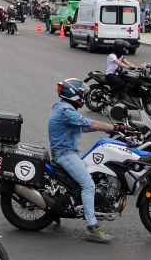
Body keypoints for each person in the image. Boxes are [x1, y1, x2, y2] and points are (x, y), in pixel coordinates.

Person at [49, 78, 118, 243]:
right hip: (65, 154)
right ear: (73, 94)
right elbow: (86, 122)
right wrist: (113, 127)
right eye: (81, 93)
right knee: (88, 185)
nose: (83, 96)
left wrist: (106, 130)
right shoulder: (66, 111)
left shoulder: (64, 108)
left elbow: (83, 126)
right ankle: (92, 228)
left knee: (92, 175)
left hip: (68, 152)